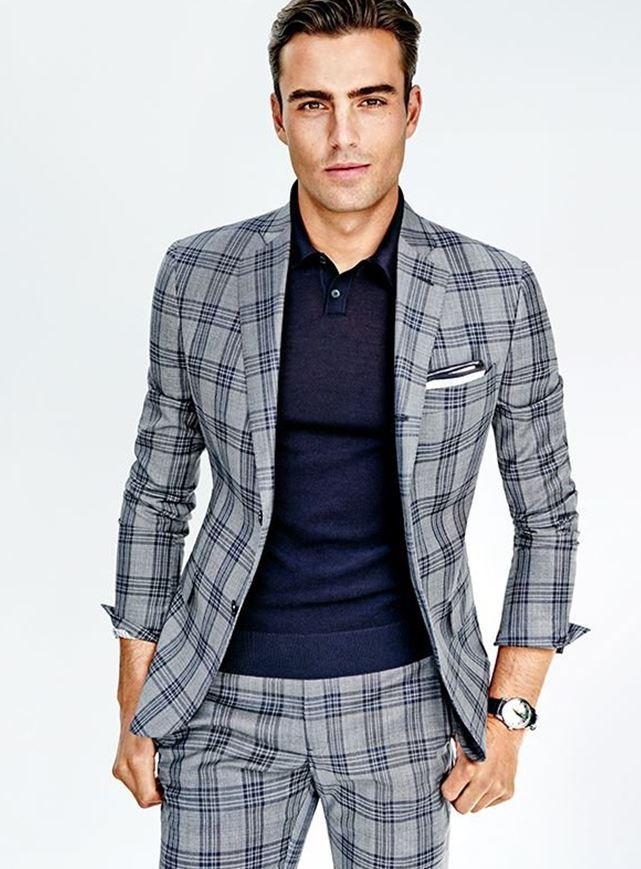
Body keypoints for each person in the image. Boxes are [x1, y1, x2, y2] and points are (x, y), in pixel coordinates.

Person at [101, 1, 590, 866]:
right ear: (277, 115)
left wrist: (509, 713)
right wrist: (136, 701)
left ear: (410, 108)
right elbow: (156, 492)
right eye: (313, 103)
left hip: (406, 702)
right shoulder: (196, 275)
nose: (342, 135)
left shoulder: (494, 291)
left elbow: (546, 512)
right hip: (220, 698)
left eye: (369, 100)